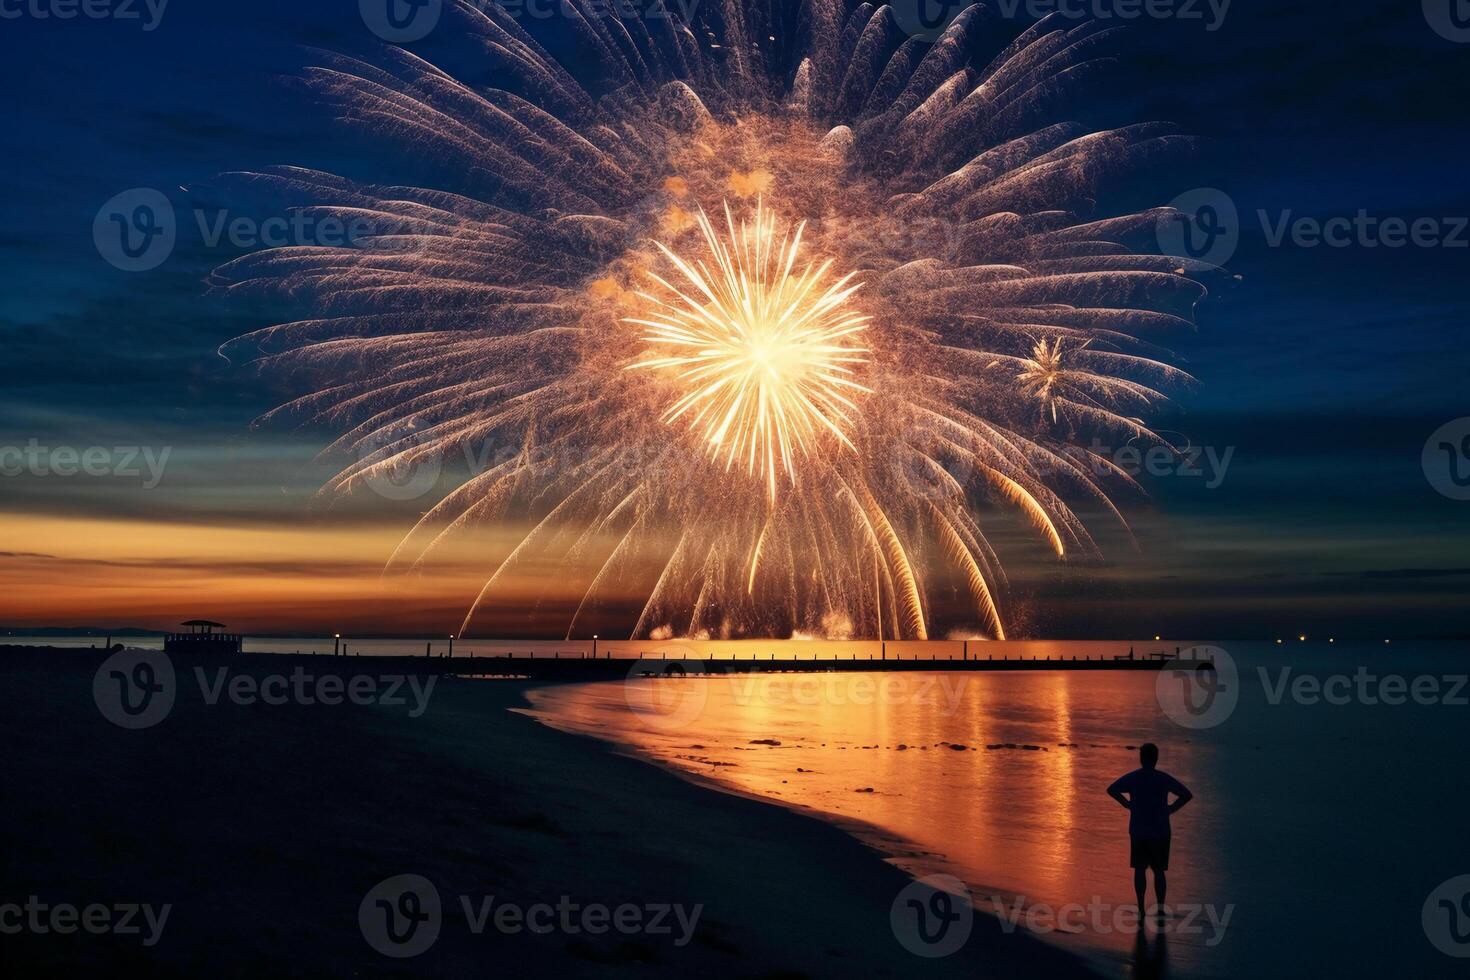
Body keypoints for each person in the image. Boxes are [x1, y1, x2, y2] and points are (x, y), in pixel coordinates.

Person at [1107, 742, 1193, 917]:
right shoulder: (1162, 778)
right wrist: (1170, 809)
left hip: (1139, 830)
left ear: (1141, 758)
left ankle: (1140, 907)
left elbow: (1112, 789)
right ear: (1156, 758)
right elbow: (1186, 795)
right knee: (1159, 871)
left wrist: (1127, 804)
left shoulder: (1134, 777)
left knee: (1139, 869)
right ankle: (1160, 907)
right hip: (1160, 830)